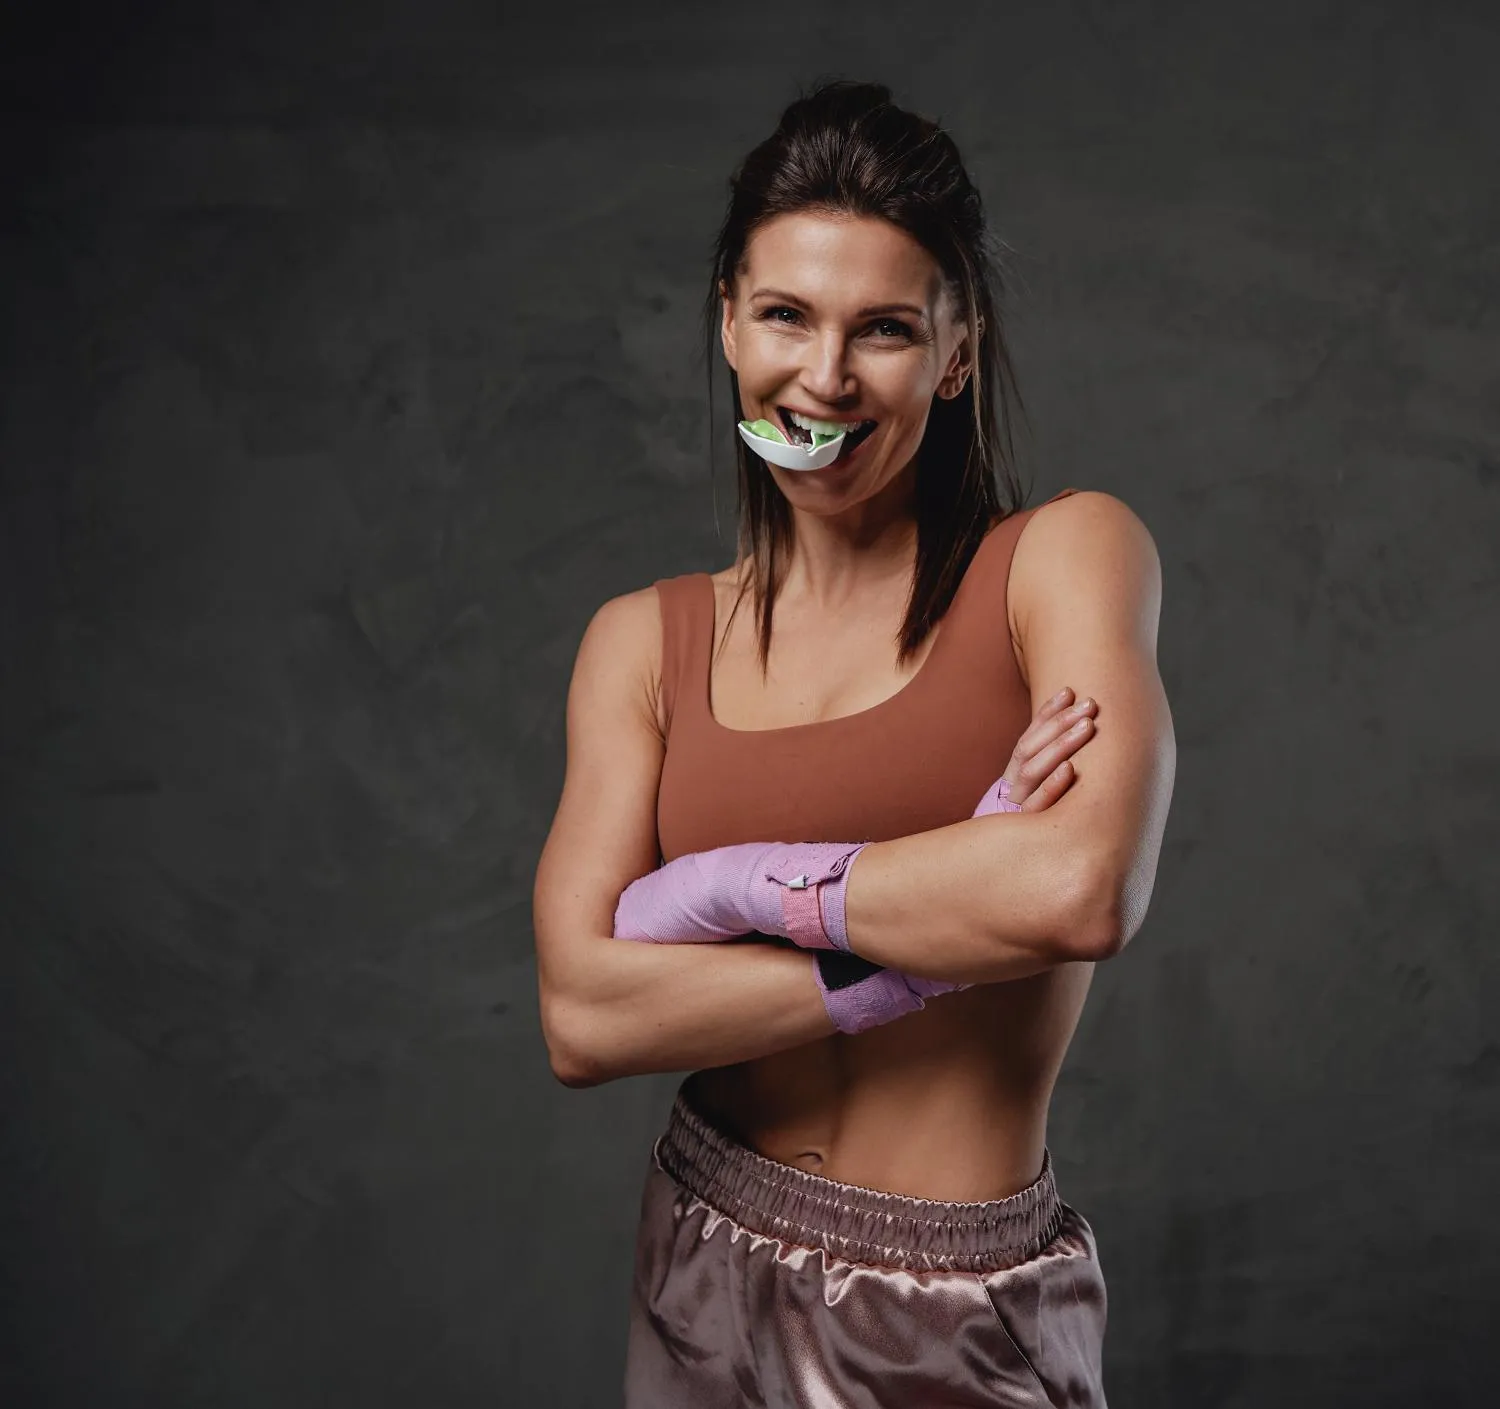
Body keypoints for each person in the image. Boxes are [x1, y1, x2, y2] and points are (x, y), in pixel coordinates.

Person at [532, 79, 1175, 1409]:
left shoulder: (1061, 555)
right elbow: (584, 1016)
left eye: (883, 329)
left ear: (953, 353)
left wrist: (709, 910)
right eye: (786, 315)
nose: (823, 378)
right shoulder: (642, 644)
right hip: (701, 1248)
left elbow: (1077, 888)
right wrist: (897, 955)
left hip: (955, 1310)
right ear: (726, 319)